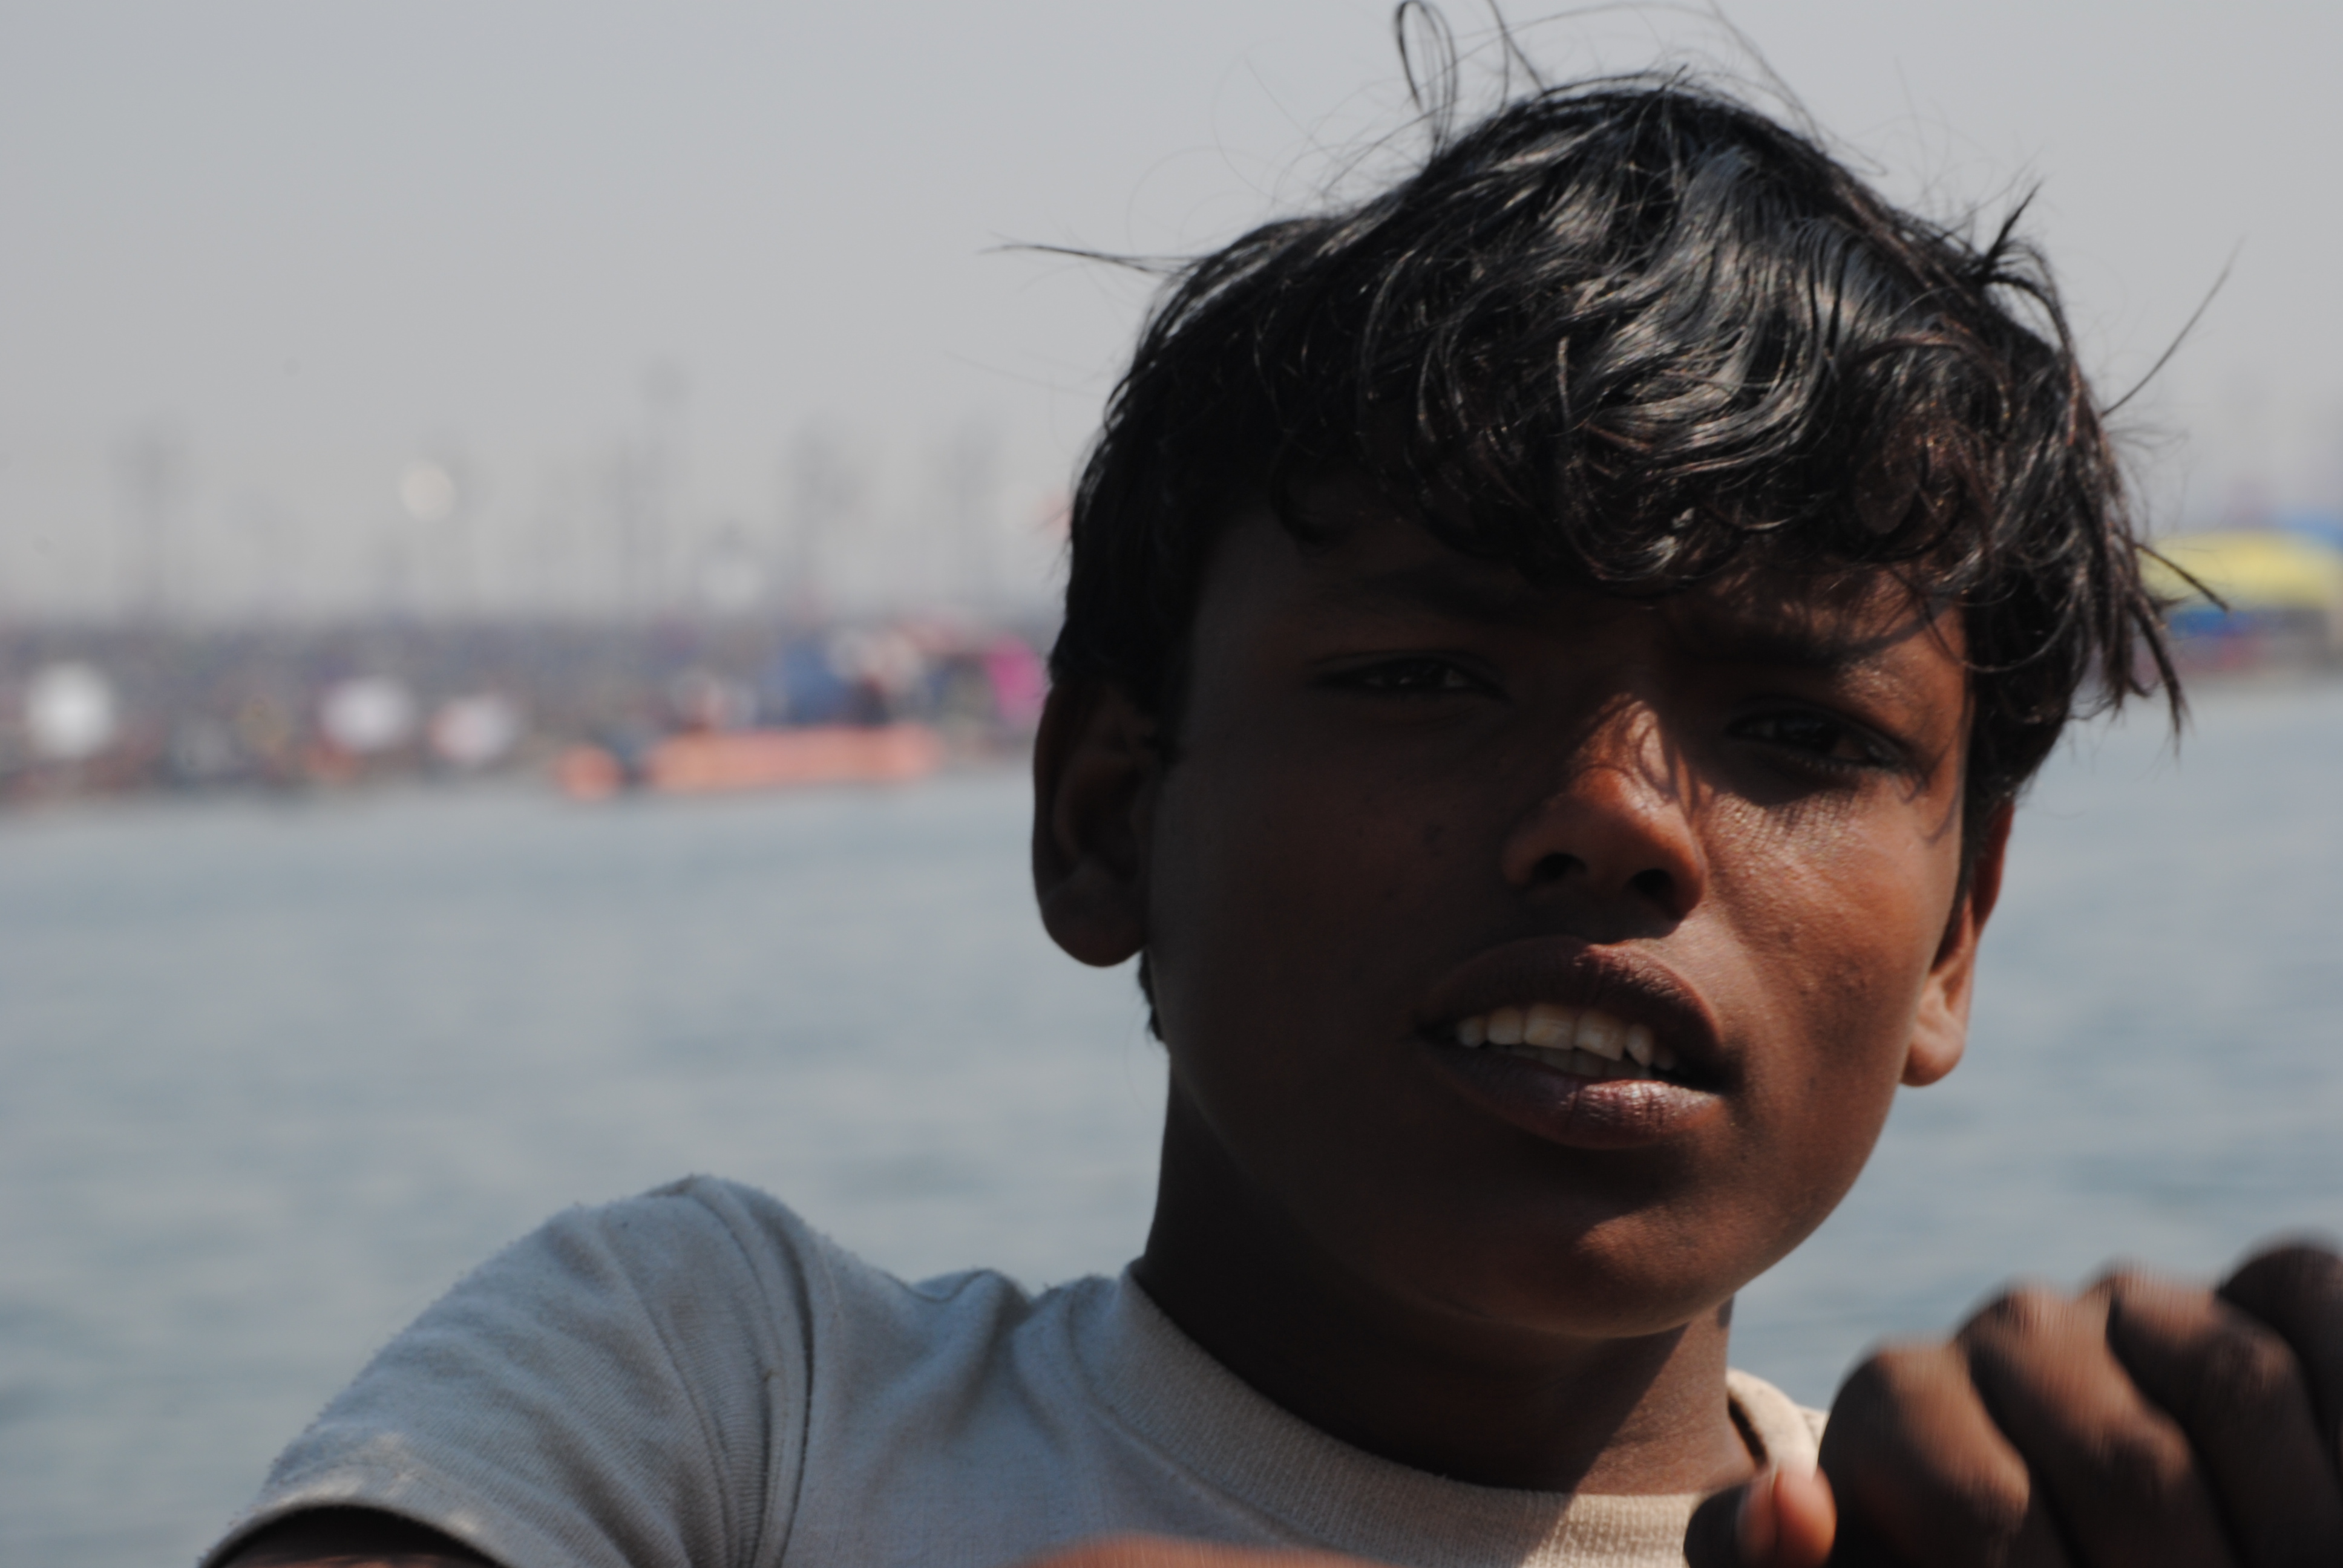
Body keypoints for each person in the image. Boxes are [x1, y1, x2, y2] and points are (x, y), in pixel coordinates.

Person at [211, 55, 2343, 1568]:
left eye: (1797, 730)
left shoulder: (2022, 1535)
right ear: (1107, 813)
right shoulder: (717, 1398)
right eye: (1426, 677)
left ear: (1957, 936)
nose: (1615, 820)